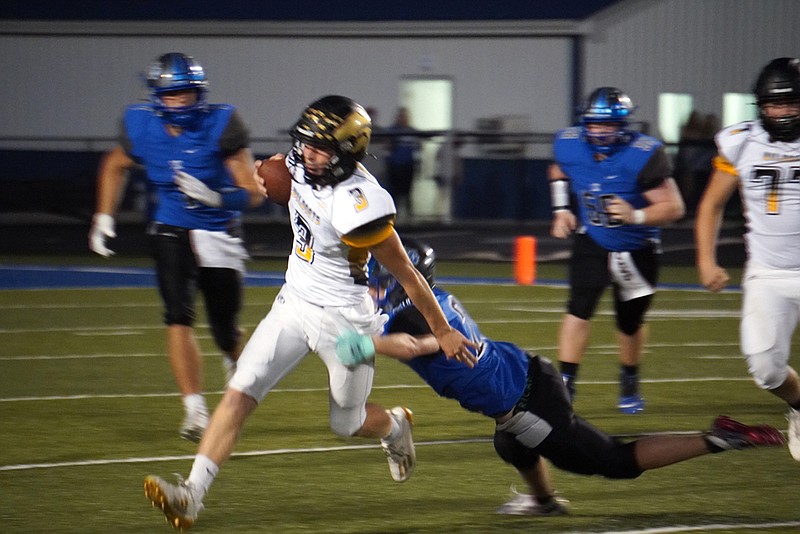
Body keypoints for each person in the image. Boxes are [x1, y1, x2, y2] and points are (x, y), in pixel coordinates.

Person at [142, 95, 477, 530]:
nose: (308, 153)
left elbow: (408, 275)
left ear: (348, 152)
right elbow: (277, 182)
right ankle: (191, 495)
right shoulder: (298, 163)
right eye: (305, 143)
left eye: (321, 147)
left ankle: (394, 427)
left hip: (345, 320)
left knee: (347, 422)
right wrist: (265, 179)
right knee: (240, 390)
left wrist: (443, 330)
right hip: (295, 302)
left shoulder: (362, 201)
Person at [335, 239, 786, 515]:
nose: (377, 286)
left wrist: (365, 345)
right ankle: (544, 502)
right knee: (508, 441)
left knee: (614, 461)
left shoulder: (415, 318)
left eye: (384, 278)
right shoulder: (435, 299)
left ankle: (718, 438)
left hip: (530, 401)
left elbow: (419, 345)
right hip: (532, 376)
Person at [88, 52, 264, 442]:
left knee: (225, 330)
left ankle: (236, 366)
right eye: (172, 95)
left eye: (186, 94)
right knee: (177, 316)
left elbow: (253, 193)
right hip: (170, 228)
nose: (180, 102)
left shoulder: (221, 123)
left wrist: (216, 197)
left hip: (218, 233)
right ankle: (195, 410)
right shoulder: (141, 125)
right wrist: (104, 217)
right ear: (157, 97)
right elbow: (114, 164)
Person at [548, 87, 686, 413]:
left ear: (623, 125)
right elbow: (557, 170)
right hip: (592, 239)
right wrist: (560, 208)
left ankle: (629, 377)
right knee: (577, 309)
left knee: (629, 323)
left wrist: (635, 214)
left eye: (607, 125)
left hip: (636, 247)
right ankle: (565, 385)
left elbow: (673, 207)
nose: (599, 131)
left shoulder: (643, 153)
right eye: (594, 124)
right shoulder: (569, 143)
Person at [695, 57, 800, 462]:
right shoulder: (741, 140)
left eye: (791, 102)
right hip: (769, 273)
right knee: (766, 370)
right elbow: (711, 205)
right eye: (774, 104)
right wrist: (706, 260)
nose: (782, 112)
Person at [384, 107, 421, 217]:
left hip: (408, 166)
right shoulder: (391, 131)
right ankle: (394, 216)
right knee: (394, 193)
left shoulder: (412, 132)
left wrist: (418, 165)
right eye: (401, 116)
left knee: (407, 193)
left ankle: (409, 217)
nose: (403, 118)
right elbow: (387, 148)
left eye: (405, 116)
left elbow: (417, 149)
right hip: (394, 166)